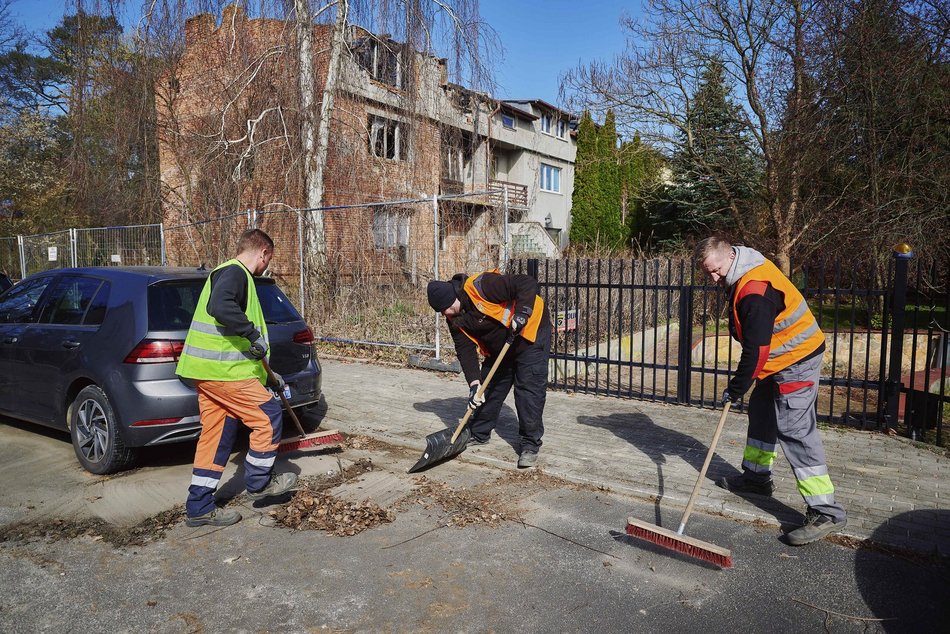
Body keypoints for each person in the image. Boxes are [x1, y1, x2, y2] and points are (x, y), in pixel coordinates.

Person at [694, 236, 847, 545]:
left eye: (716, 270)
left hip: (797, 358)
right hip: (778, 357)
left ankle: (826, 511)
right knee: (761, 411)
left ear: (729, 257)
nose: (713, 278)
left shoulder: (754, 290)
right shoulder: (742, 268)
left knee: (795, 428)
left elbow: (755, 350)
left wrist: (736, 388)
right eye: (708, 273)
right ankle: (756, 478)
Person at [176, 228, 298, 527]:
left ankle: (199, 506)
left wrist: (269, 375)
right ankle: (260, 482)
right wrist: (252, 332)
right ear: (263, 253)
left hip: (209, 373)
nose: (266, 265)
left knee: (215, 437)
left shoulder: (226, 273)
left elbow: (235, 345)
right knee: (268, 416)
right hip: (224, 374)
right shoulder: (235, 273)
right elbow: (220, 308)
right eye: (268, 259)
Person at [426, 270, 551, 468]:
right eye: (442, 312)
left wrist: (522, 313)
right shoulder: (454, 319)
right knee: (487, 387)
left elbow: (527, 283)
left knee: (528, 389)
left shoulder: (483, 286)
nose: (446, 314)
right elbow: (464, 349)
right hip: (500, 344)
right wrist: (474, 383)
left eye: (447, 309)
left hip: (530, 332)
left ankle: (529, 444)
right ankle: (479, 432)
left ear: (454, 297)